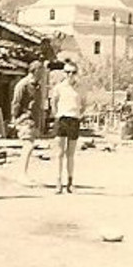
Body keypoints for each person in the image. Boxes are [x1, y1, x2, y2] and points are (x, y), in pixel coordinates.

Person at [51, 61, 84, 193]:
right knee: (59, 153)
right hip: (62, 119)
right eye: (67, 72)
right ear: (64, 73)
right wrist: (56, 115)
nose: (70, 75)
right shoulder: (59, 87)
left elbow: (84, 103)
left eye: (73, 72)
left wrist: (79, 114)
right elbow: (53, 101)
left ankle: (70, 182)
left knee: (70, 153)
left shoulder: (80, 88)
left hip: (74, 119)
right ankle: (58, 182)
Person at [11, 59, 45, 184]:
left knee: (29, 146)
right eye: (41, 71)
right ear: (35, 71)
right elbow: (16, 102)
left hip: (34, 119)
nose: (42, 74)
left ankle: (23, 172)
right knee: (28, 146)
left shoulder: (38, 86)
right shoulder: (23, 85)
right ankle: (21, 174)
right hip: (25, 118)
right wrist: (16, 118)